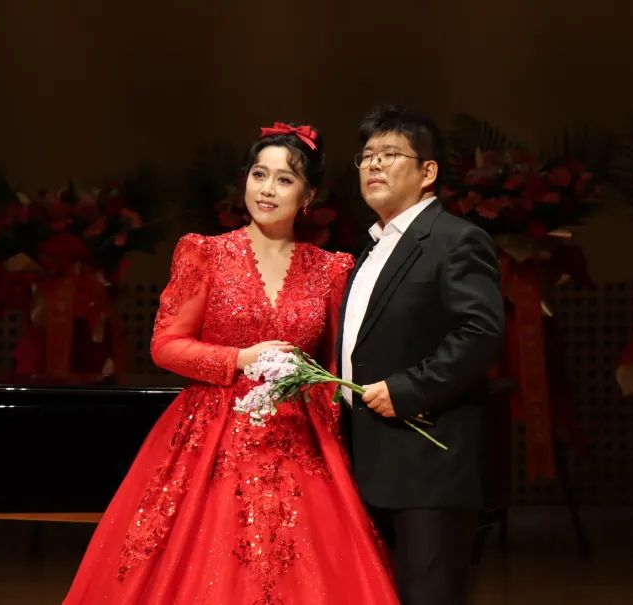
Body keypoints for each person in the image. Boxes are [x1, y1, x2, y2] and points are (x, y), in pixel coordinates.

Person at [63, 122, 400, 605]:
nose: (267, 189)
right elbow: (166, 345)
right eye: (259, 174)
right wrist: (241, 359)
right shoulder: (205, 254)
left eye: (284, 179)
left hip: (300, 442)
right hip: (211, 434)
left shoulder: (332, 269)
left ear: (308, 195)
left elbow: (335, 366)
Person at [338, 105, 506, 605]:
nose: (373, 164)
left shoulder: (456, 239)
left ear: (428, 171)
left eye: (390, 154)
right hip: (366, 465)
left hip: (428, 465)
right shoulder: (369, 249)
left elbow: (480, 333)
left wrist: (409, 389)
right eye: (367, 156)